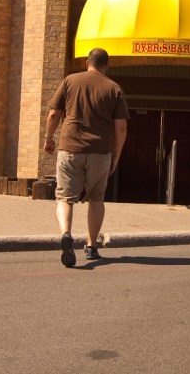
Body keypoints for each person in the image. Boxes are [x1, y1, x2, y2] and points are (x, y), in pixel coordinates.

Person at [44, 48, 129, 267]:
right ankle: (91, 246)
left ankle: (66, 234)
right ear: (106, 66)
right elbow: (121, 128)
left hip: (70, 149)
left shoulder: (70, 81)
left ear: (86, 63)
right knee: (96, 199)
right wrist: (116, 156)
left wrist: (49, 138)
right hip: (100, 153)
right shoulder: (114, 89)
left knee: (65, 198)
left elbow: (54, 113)